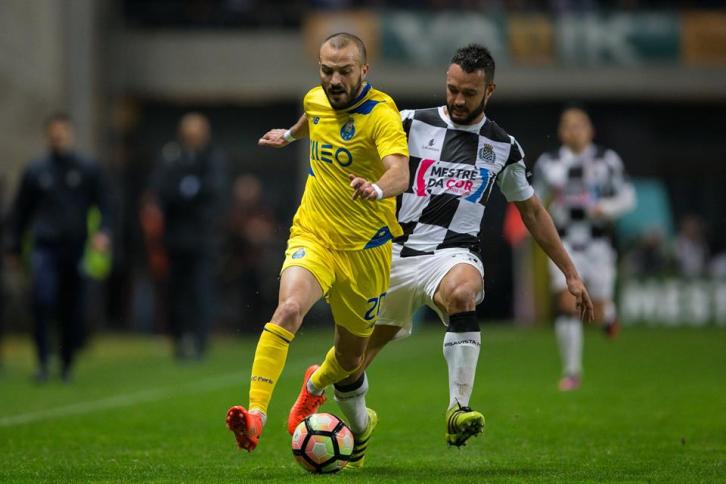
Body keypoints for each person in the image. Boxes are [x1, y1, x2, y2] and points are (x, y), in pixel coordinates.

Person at [326, 44, 594, 466]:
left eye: (469, 93)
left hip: (453, 253)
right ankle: (360, 428)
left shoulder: (503, 146)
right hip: (393, 254)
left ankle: (458, 408)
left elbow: (533, 212)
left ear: (489, 90)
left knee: (463, 292)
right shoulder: (409, 122)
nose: (458, 100)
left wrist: (570, 273)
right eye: (452, 89)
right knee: (349, 364)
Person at [225, 32, 410, 455]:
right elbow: (313, 118)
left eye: (345, 71)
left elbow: (400, 172)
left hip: (366, 250)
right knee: (289, 308)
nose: (334, 80)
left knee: (350, 360)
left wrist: (377, 189)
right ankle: (256, 415)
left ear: (364, 70)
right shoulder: (315, 99)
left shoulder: (381, 114)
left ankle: (314, 385)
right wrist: (290, 136)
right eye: (327, 71)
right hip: (315, 234)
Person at [533, 107, 635, 391]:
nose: (574, 131)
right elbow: (533, 201)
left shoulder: (606, 160)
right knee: (567, 302)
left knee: (597, 311)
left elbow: (628, 197)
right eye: (568, 125)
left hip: (598, 242)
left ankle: (608, 317)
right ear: (561, 131)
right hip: (564, 242)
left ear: (590, 130)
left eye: (579, 125)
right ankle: (572, 372)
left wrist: (606, 208)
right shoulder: (549, 163)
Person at [8, 113, 112, 382]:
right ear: (48, 136)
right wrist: (13, 247)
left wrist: (104, 232)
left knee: (72, 306)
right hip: (45, 246)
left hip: (76, 247)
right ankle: (43, 361)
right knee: (42, 299)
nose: (59, 137)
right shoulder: (36, 171)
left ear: (71, 134)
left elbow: (106, 204)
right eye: (54, 133)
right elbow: (21, 212)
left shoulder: (87, 169)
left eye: (63, 132)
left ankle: (66, 362)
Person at [147, 112, 226, 360]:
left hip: (202, 238)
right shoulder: (170, 158)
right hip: (176, 239)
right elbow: (163, 191)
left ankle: (201, 341)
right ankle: (179, 340)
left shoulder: (213, 159)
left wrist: (190, 194)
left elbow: (214, 192)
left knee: (201, 290)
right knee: (177, 292)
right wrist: (189, 194)